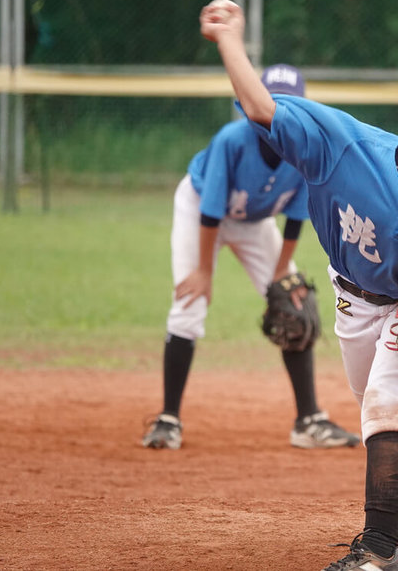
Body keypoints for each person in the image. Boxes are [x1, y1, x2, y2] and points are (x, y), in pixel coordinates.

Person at [200, 0, 398, 571]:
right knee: (377, 419)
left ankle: (379, 552)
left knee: (387, 405)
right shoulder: (348, 146)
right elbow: (260, 108)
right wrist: (230, 39)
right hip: (351, 299)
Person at [141, 63, 361, 452]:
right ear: (248, 102)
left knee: (295, 301)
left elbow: (296, 219)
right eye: (267, 100)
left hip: (255, 222)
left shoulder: (304, 152)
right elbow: (210, 212)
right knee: (189, 301)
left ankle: (307, 420)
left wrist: (280, 275)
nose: (273, 111)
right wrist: (204, 272)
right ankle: (168, 419)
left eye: (285, 104)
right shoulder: (232, 141)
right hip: (201, 210)